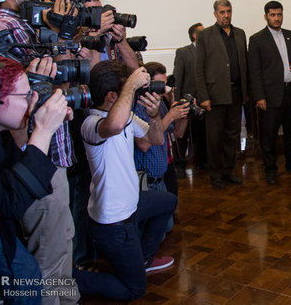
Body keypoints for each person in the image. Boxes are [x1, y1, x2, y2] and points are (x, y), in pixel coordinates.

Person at [0, 57, 69, 304]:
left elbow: (11, 168)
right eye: (25, 96)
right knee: (25, 279)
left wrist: (34, 120)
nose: (30, 100)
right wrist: (43, 131)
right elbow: (10, 200)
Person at [74, 61, 177, 301]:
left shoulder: (126, 116)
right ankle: (69, 278)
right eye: (126, 91)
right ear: (112, 96)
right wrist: (131, 86)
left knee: (168, 201)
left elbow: (156, 138)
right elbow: (115, 125)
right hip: (113, 222)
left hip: (131, 205)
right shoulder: (90, 123)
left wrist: (153, 115)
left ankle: (142, 258)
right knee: (134, 290)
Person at [248, 0, 291, 185]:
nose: (277, 18)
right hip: (270, 96)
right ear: (265, 16)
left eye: (279, 14)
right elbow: (254, 71)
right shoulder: (257, 39)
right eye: (273, 15)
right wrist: (259, 97)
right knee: (269, 136)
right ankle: (270, 170)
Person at [195, 0, 248, 189]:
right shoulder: (205, 35)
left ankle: (228, 171)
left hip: (236, 93)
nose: (226, 15)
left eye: (229, 11)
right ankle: (215, 174)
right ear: (215, 14)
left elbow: (244, 64)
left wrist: (246, 93)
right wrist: (203, 97)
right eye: (222, 12)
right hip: (214, 95)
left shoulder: (240, 34)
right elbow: (199, 69)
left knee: (232, 135)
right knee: (215, 137)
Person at [134, 61, 189, 230]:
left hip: (162, 178)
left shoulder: (161, 106)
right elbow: (144, 144)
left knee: (166, 227)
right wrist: (171, 116)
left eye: (165, 84)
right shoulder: (136, 108)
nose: (163, 90)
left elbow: (178, 133)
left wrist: (182, 114)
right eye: (159, 85)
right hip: (146, 181)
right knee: (153, 229)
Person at [173, 22, 207, 173]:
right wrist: (176, 100)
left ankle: (202, 163)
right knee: (183, 135)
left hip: (203, 102)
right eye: (202, 32)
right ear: (194, 35)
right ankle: (180, 166)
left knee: (201, 135)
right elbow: (178, 77)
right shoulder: (183, 52)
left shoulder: (208, 51)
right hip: (186, 101)